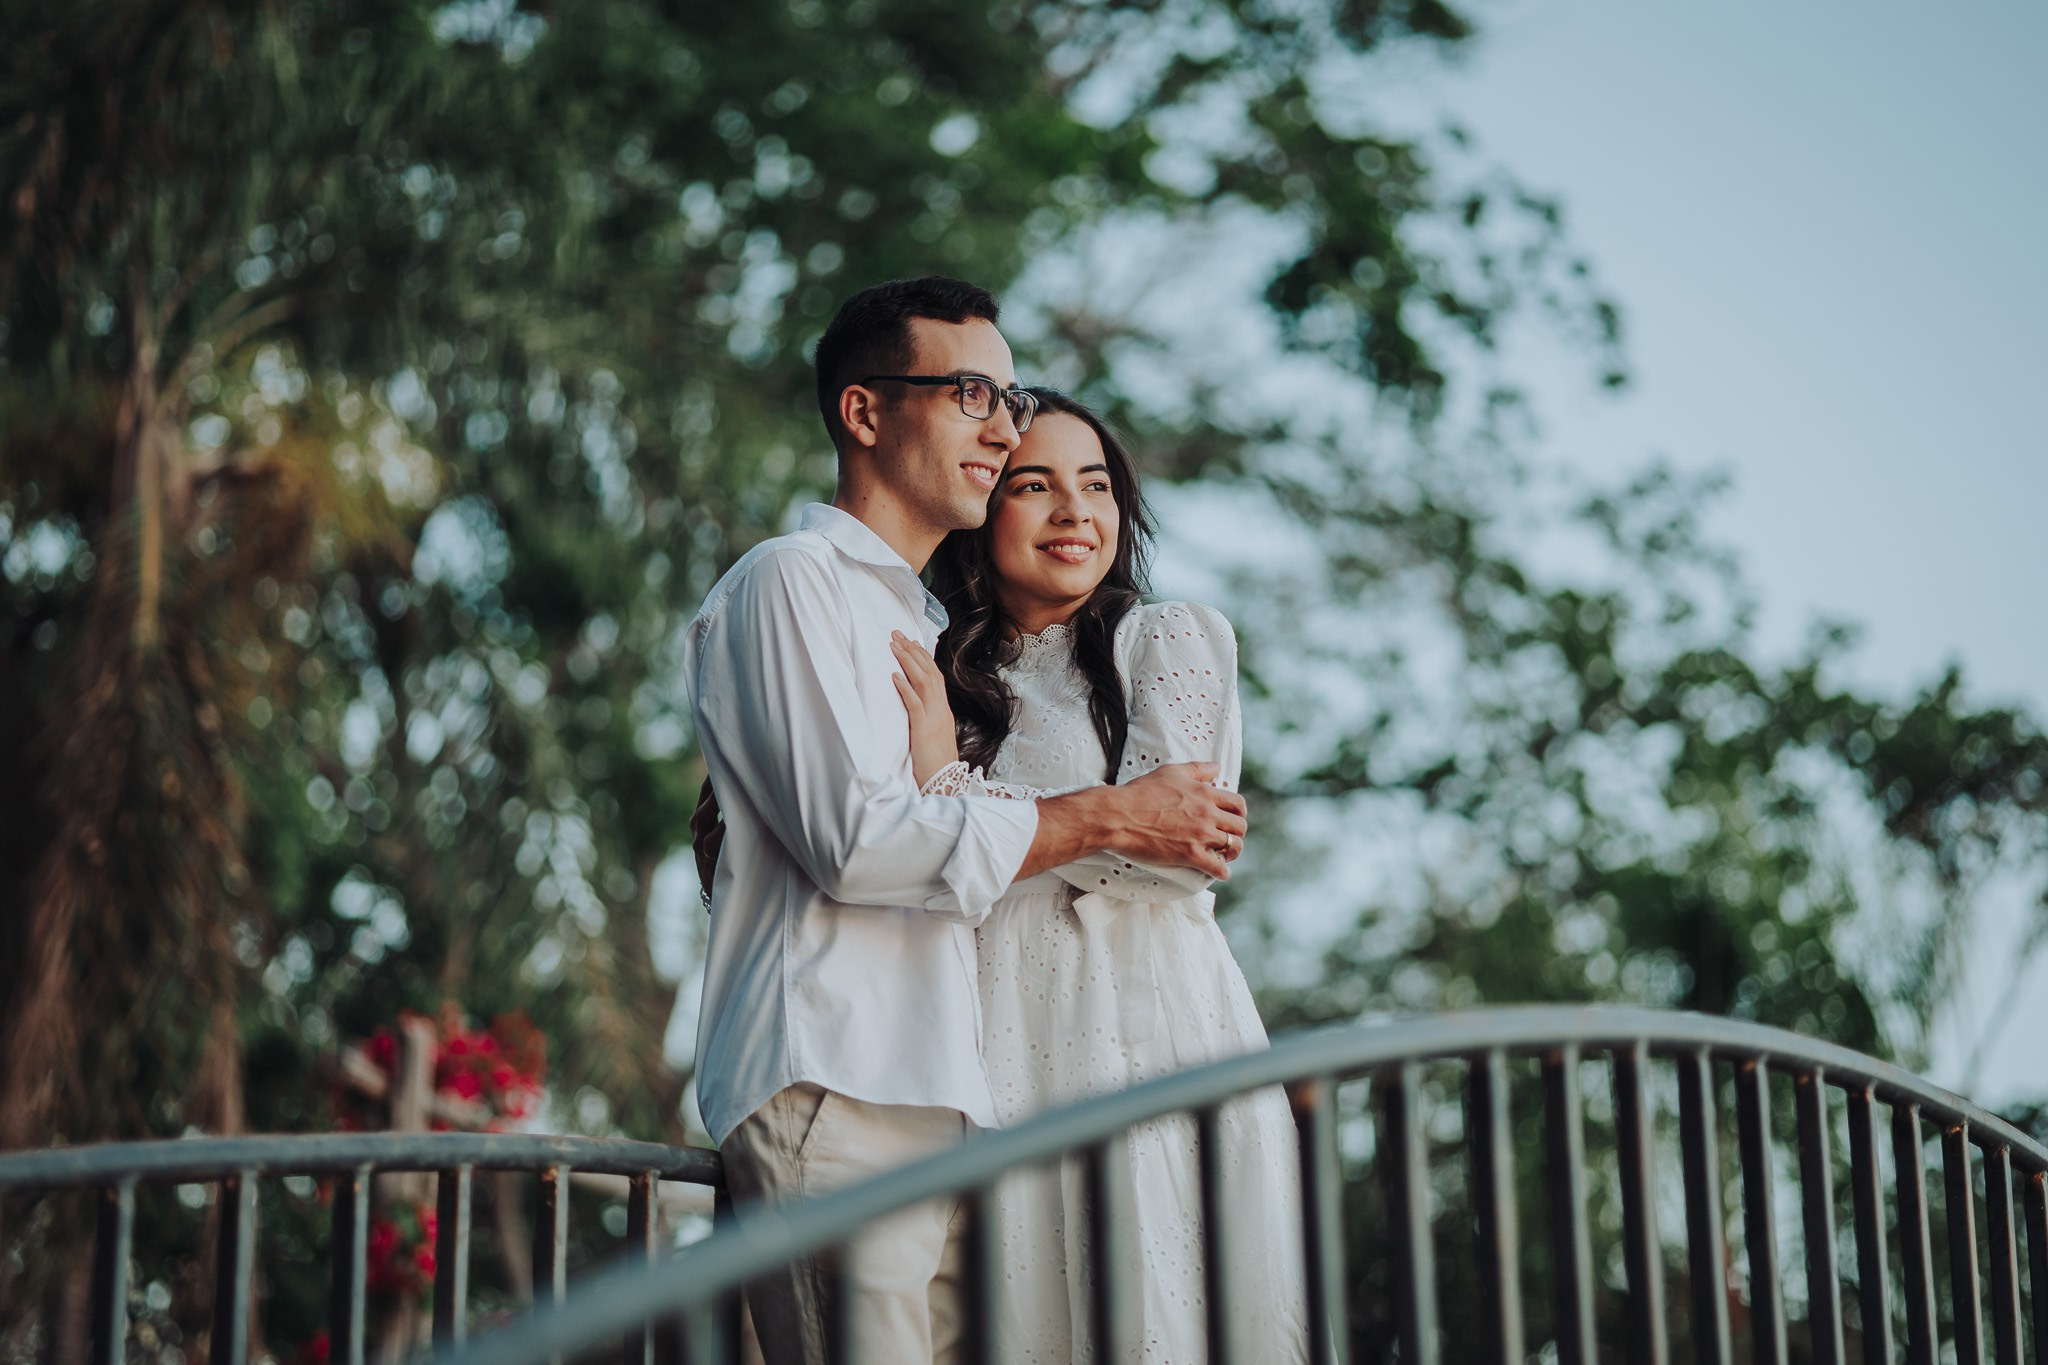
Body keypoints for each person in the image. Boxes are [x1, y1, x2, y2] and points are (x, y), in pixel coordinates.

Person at [681, 277, 1249, 1365]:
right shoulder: (791, 583)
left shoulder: (918, 625)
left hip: (943, 1111)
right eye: (972, 395)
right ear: (863, 412)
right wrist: (1112, 817)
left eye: (1009, 395)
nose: (1002, 424)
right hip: (834, 1087)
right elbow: (859, 843)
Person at [892, 389, 1310, 1363]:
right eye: (1031, 485)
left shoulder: (1164, 641)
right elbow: (906, 862)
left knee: (1161, 1303)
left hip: (1147, 1023)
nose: (1073, 512)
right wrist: (1088, 827)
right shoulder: (937, 681)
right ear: (978, 509)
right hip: (997, 1035)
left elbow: (1175, 865)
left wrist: (957, 808)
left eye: (1095, 486)